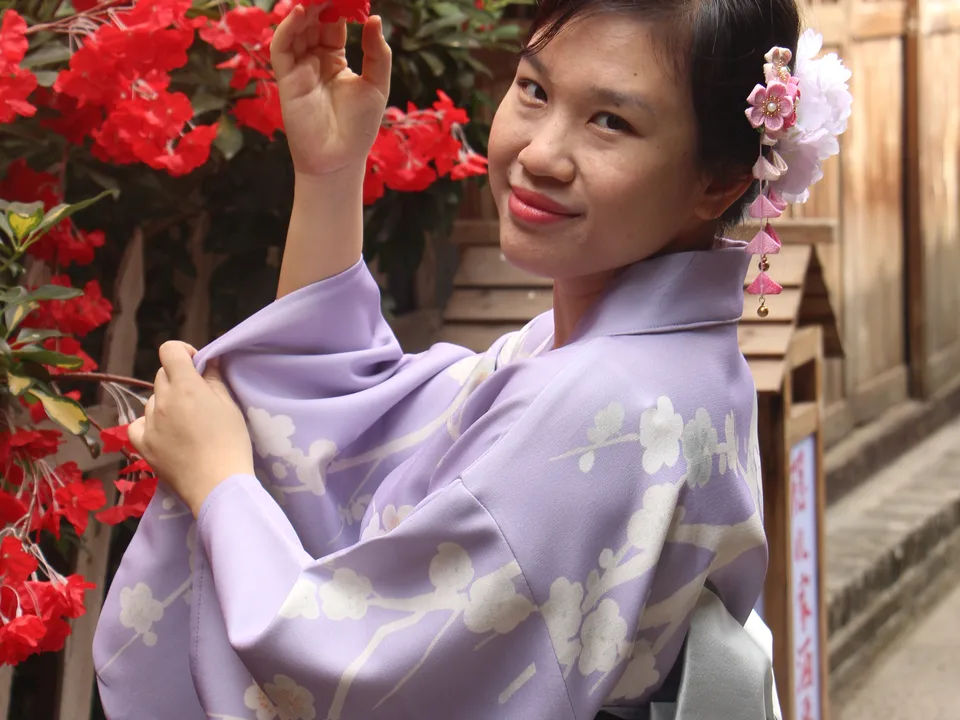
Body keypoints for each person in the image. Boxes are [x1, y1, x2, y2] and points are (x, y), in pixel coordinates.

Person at [93, 0, 849, 717]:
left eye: (611, 121)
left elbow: (358, 668)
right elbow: (357, 416)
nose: (540, 153)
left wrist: (219, 485)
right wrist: (330, 174)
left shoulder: (610, 406)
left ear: (718, 180)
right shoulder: (655, 362)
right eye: (534, 89)